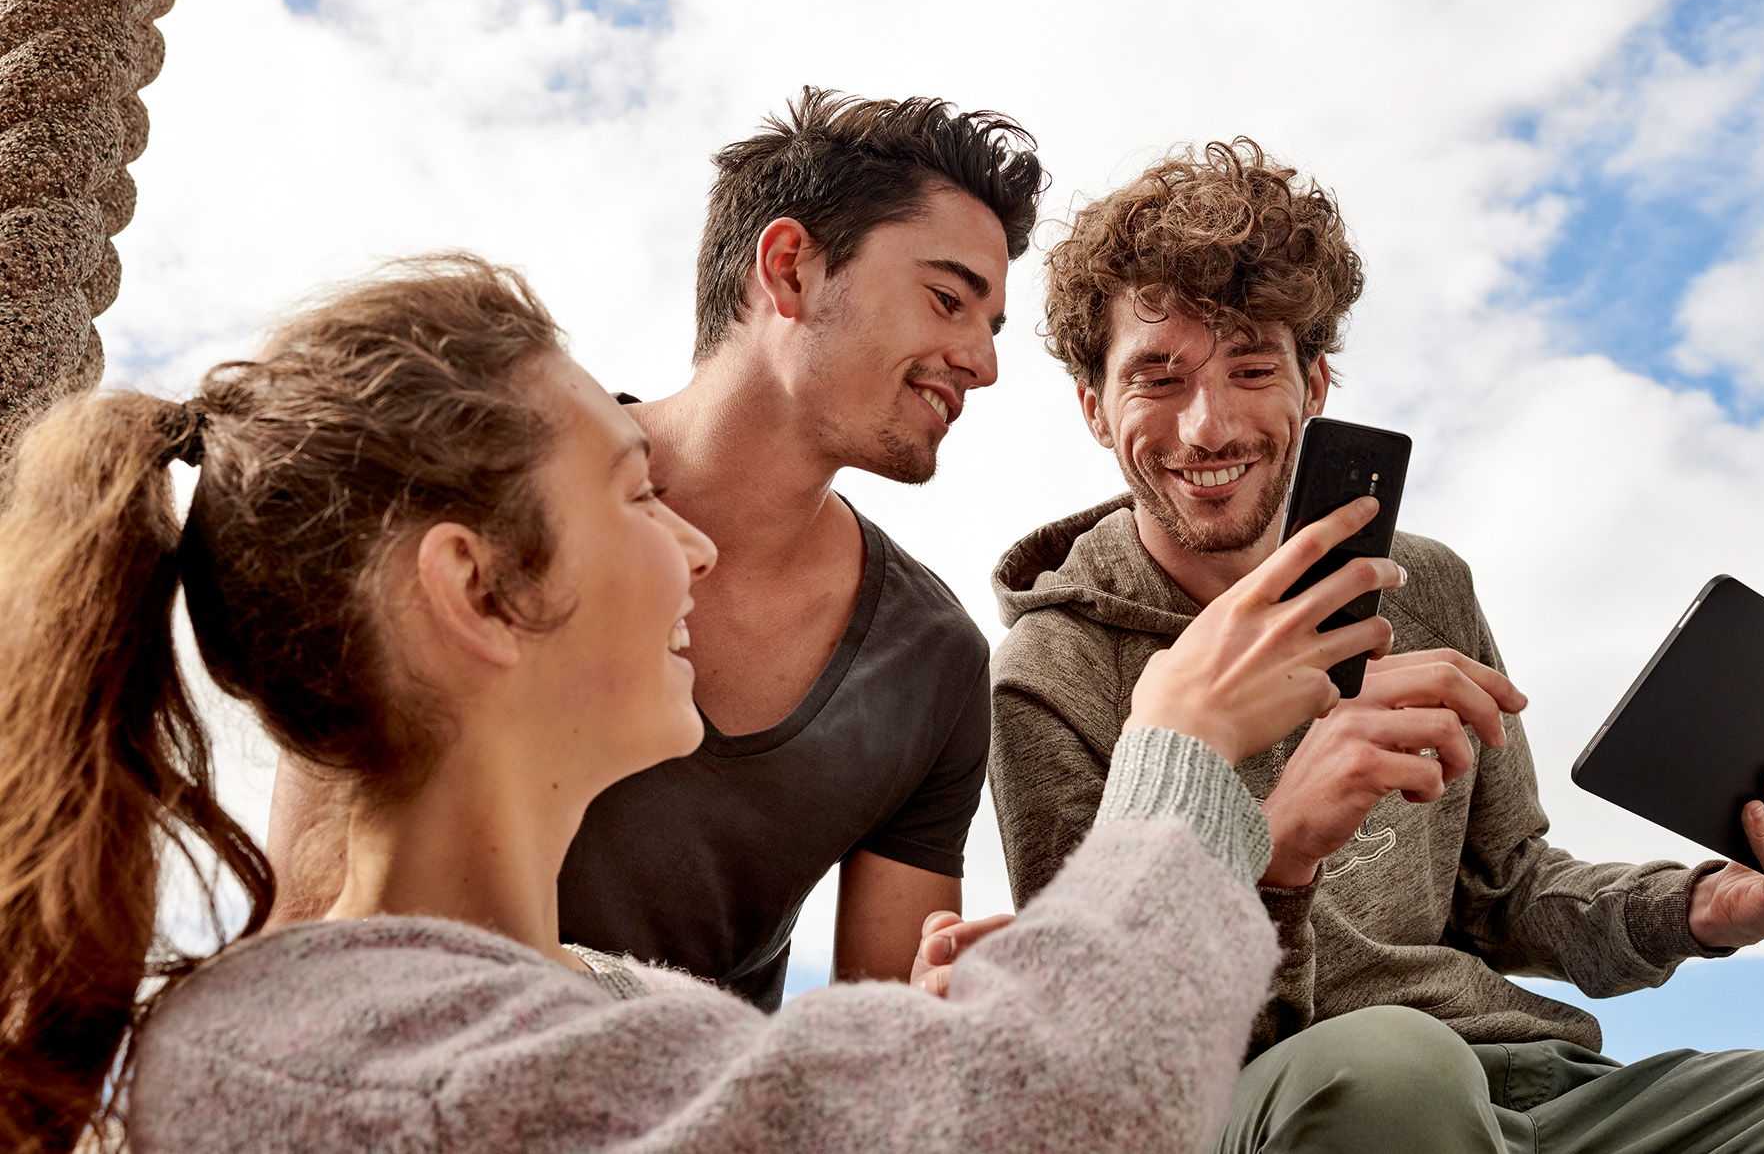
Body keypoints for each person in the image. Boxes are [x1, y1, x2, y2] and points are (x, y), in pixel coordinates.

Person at [0, 254, 1405, 1152]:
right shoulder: (354, 1064)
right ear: (476, 590)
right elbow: (1053, 1114)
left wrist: (916, 1041)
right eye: (629, 490)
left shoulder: (518, 1013)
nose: (691, 543)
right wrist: (1182, 759)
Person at [988, 138, 1764, 1152]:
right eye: (1155, 375)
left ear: (1314, 384)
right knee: (1395, 1065)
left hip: (1532, 1083)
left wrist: (1712, 905)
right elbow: (1112, 1038)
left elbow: (1507, 892)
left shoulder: (1425, 582)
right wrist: (1279, 847)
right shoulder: (1049, 673)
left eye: (1250, 366)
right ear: (1094, 407)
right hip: (1286, 1094)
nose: (1205, 423)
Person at [265, 89, 1044, 1009]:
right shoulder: (482, 490)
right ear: (789, 269)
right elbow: (313, 922)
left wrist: (940, 1011)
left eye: (989, 327)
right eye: (948, 299)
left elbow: (880, 1034)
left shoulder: (935, 663)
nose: (982, 362)